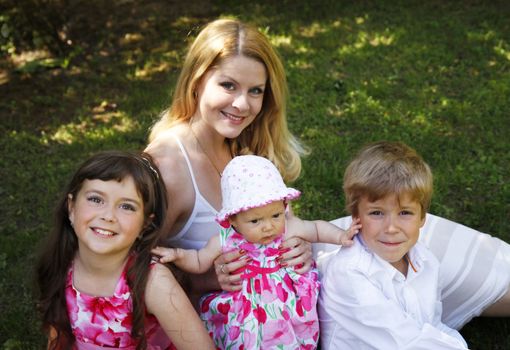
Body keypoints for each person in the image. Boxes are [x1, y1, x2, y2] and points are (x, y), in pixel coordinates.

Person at [145, 17, 510, 329]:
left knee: (414, 234)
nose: (242, 104)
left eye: (255, 91)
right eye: (228, 85)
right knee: (394, 247)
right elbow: (131, 272)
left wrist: (301, 246)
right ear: (196, 80)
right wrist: (208, 279)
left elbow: (284, 224)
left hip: (295, 282)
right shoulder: (169, 165)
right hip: (250, 314)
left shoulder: (239, 143)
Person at [152, 155, 360, 349]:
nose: (268, 226)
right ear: (233, 220)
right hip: (247, 311)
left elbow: (316, 228)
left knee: (293, 337)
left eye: (276, 215)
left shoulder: (288, 228)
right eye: (255, 220)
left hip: (287, 304)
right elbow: (198, 261)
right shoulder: (225, 240)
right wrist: (178, 254)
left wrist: (341, 236)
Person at [35, 151, 215, 350]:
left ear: (145, 224)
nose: (108, 216)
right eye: (96, 199)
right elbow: (57, 336)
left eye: (127, 206)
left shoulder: (153, 282)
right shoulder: (62, 262)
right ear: (71, 208)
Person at [318, 141, 469, 349]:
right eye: (377, 213)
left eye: (405, 213)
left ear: (423, 217)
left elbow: (431, 326)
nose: (391, 228)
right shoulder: (349, 272)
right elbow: (405, 342)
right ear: (356, 216)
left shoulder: (425, 261)